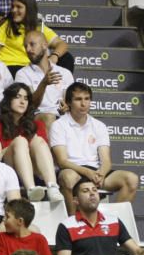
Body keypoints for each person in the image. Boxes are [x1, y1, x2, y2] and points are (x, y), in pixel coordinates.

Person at [50, 83, 139, 214]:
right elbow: (62, 161)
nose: (83, 103)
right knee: (67, 177)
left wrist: (100, 174)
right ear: (68, 102)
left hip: (96, 171)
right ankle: (73, 223)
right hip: (73, 169)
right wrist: (87, 173)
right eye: (78, 99)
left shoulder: (99, 126)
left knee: (131, 179)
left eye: (87, 99)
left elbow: (106, 161)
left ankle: (113, 222)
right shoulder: (58, 125)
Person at [13, 30, 74, 130]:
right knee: (49, 117)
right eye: (25, 46)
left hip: (62, 118)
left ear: (45, 45)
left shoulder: (65, 73)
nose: (28, 49)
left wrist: (67, 106)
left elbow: (70, 100)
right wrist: (43, 83)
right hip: (37, 117)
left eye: (32, 44)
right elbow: (30, 106)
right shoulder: (22, 74)